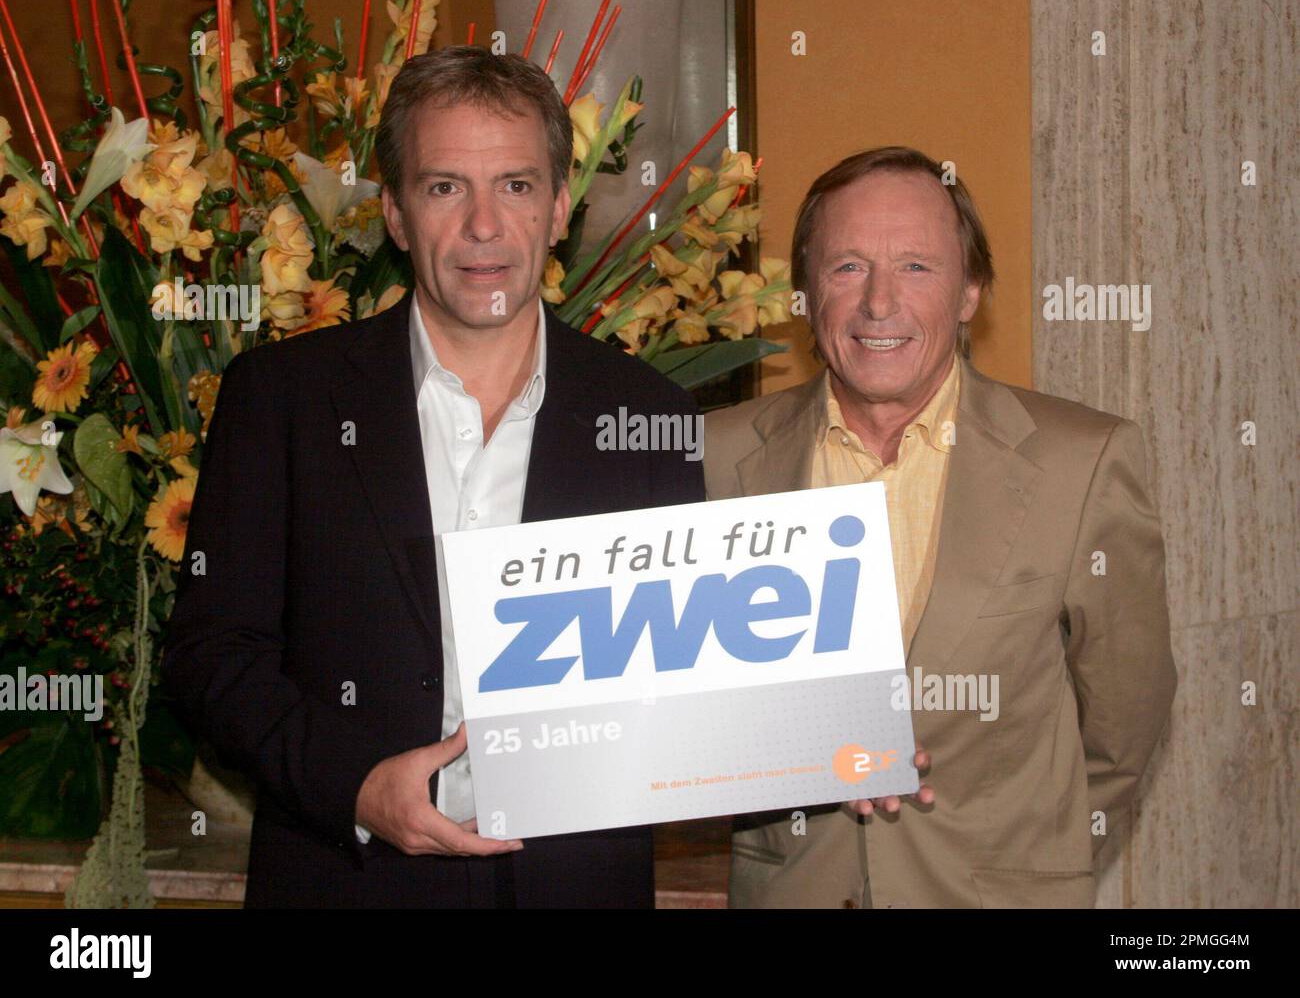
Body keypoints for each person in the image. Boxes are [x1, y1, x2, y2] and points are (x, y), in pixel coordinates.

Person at [164, 46, 703, 908]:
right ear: (397, 214)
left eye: (518, 187)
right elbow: (208, 654)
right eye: (445, 187)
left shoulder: (651, 417)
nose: (484, 226)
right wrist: (355, 788)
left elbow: (690, 684)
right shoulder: (283, 401)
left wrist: (826, 749)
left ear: (561, 208)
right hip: (348, 884)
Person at [704, 146, 1176, 908]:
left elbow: (1125, 718)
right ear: (806, 292)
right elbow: (685, 709)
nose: (879, 305)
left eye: (917, 267)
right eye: (848, 267)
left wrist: (1028, 858)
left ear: (970, 292)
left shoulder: (1081, 462)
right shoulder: (718, 458)